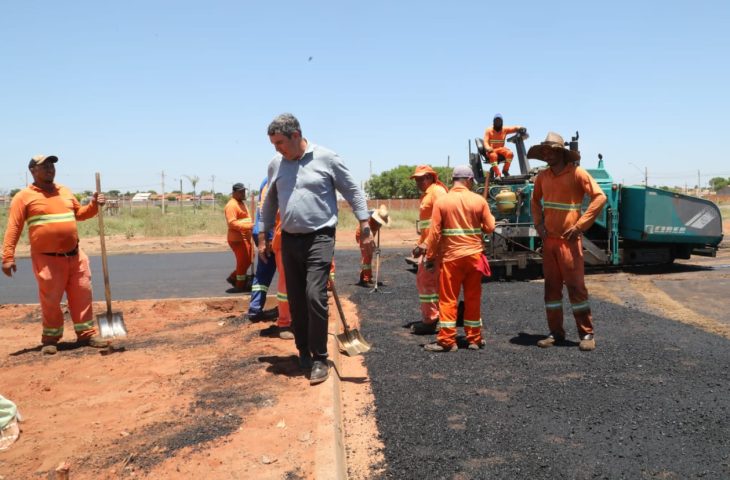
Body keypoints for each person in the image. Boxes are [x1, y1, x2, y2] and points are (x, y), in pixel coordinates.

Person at [259, 113, 373, 385]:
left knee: (314, 295)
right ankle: (303, 353)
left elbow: (353, 191)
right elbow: (269, 202)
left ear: (296, 135)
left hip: (320, 237)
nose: (277, 148)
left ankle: (320, 357)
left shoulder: (327, 158)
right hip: (289, 239)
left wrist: (365, 224)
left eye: (280, 142)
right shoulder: (277, 164)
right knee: (296, 299)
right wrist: (262, 235)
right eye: (273, 144)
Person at [2, 155, 108, 355]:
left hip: (76, 256)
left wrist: (95, 204)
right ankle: (50, 339)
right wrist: (8, 257)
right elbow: (14, 228)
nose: (50, 169)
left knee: (83, 293)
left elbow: (81, 214)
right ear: (33, 170)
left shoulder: (65, 191)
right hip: (47, 259)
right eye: (45, 166)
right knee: (51, 299)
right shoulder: (23, 197)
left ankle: (86, 334)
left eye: (52, 165)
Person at [528, 132, 607, 351]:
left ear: (561, 152)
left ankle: (587, 334)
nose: (547, 154)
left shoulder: (577, 173)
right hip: (550, 242)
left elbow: (600, 197)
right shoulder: (542, 177)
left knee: (576, 288)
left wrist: (581, 225)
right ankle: (556, 332)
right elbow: (534, 202)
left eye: (551, 150)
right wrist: (539, 225)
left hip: (569, 242)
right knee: (551, 289)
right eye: (544, 151)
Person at [423, 165, 495, 352]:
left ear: (454, 180)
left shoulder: (442, 202)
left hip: (451, 259)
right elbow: (490, 227)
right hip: (474, 257)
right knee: (473, 298)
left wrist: (430, 257)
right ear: (469, 180)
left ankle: (447, 341)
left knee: (448, 300)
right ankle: (474, 339)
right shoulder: (479, 200)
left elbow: (435, 234)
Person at [409, 165, 448, 335]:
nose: (418, 182)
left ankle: (432, 320)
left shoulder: (437, 192)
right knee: (431, 283)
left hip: (435, 247)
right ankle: (437, 318)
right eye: (416, 179)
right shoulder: (428, 194)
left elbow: (440, 223)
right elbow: (427, 226)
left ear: (431, 177)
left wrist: (428, 249)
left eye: (421, 178)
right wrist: (420, 243)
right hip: (429, 245)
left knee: (427, 282)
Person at [244, 176, 279, 322]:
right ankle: (288, 313)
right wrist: (269, 238)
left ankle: (255, 309)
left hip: (263, 233)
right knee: (287, 276)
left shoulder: (267, 181)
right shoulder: (277, 179)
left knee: (262, 275)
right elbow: (267, 211)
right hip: (272, 235)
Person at [224, 183, 254, 293]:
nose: (243, 193)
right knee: (242, 262)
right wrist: (250, 225)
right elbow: (232, 223)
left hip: (246, 237)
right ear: (234, 193)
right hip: (237, 239)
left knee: (249, 259)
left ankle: (233, 277)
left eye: (244, 191)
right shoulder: (231, 205)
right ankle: (240, 285)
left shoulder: (241, 203)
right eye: (241, 192)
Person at [355, 205, 390, 286]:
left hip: (369, 235)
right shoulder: (368, 218)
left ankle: (367, 277)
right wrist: (375, 248)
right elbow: (369, 237)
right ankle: (365, 279)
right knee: (367, 258)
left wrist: (374, 247)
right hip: (363, 234)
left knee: (369, 257)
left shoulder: (378, 218)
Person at [483, 113, 523, 177]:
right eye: (496, 121)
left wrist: (520, 128)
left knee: (510, 154)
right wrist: (487, 148)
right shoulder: (488, 130)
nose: (498, 122)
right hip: (491, 150)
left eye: (499, 121)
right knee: (493, 156)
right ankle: (498, 174)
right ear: (493, 122)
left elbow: (514, 128)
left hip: (501, 149)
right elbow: (485, 142)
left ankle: (505, 170)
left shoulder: (504, 129)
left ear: (502, 122)